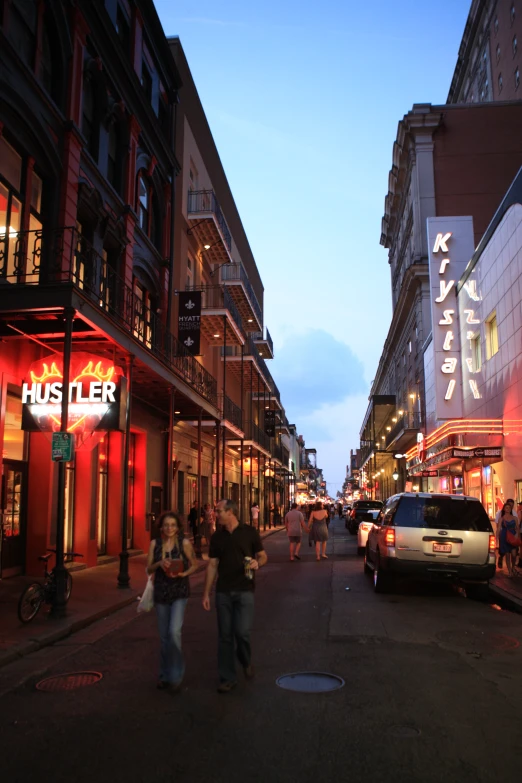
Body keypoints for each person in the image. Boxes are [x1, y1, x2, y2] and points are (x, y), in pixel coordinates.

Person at [202, 498, 268, 693]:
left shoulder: (249, 532)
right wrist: (206, 592)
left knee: (242, 632)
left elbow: (263, 555)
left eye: (219, 511)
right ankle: (227, 677)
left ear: (230, 512)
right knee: (225, 636)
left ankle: (245, 660)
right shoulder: (217, 537)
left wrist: (258, 563)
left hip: (245, 589)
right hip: (223, 591)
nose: (216, 513)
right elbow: (213, 565)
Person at [146, 511, 198, 691]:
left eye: (173, 525)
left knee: (174, 632)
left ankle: (175, 675)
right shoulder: (155, 544)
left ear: (178, 528)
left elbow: (195, 564)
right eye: (166, 525)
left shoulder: (184, 543)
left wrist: (184, 573)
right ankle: (164, 674)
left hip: (179, 591)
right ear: (161, 527)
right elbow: (148, 568)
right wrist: (159, 564)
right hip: (161, 592)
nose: (169, 528)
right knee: (164, 637)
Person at [497, 499, 518, 576]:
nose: (508, 509)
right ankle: (509, 571)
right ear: (504, 509)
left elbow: (517, 528)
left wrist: (517, 535)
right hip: (505, 536)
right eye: (506, 508)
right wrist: (497, 538)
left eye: (509, 508)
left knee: (514, 554)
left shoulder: (514, 517)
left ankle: (513, 567)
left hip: (512, 536)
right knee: (507, 554)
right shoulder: (501, 518)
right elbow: (498, 528)